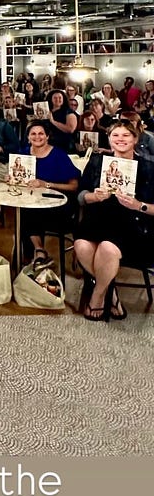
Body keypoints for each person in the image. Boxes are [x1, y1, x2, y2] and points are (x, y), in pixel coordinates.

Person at [74, 118, 154, 321]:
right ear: (109, 139)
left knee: (107, 248)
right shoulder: (97, 162)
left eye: (126, 135)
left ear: (135, 139)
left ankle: (97, 297)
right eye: (115, 135)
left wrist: (138, 205)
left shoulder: (150, 168)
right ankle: (112, 294)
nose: (120, 139)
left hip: (134, 224)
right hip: (98, 219)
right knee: (82, 245)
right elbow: (80, 194)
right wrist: (93, 196)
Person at [18, 121, 80, 263]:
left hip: (59, 204)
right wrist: (12, 177)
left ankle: (38, 252)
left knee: (29, 211)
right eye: (33, 134)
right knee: (25, 209)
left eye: (41, 133)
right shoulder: (23, 154)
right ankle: (36, 251)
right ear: (28, 137)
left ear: (47, 136)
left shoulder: (59, 155)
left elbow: (74, 186)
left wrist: (46, 185)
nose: (37, 137)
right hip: (33, 202)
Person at [46, 88, 79, 154]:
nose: (57, 99)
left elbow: (70, 129)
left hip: (64, 144)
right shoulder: (47, 111)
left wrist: (53, 122)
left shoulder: (69, 112)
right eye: (55, 98)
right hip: (48, 143)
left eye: (60, 97)